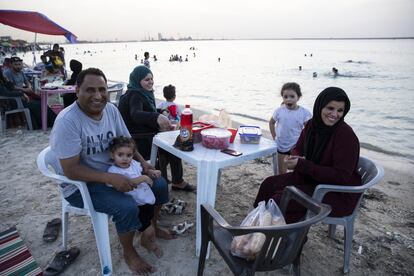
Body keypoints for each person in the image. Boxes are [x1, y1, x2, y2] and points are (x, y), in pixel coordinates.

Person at [50, 68, 171, 274]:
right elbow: (70, 170)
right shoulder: (68, 121)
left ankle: (149, 228)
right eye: (90, 90)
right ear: (77, 90)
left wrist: (144, 164)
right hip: (81, 185)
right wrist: (110, 178)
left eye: (102, 89)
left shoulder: (111, 110)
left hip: (115, 170)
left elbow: (128, 142)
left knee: (159, 185)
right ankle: (128, 251)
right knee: (126, 207)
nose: (98, 96)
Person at [255, 87, 361, 224]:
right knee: (268, 184)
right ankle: (255, 226)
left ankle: (282, 238)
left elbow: (341, 176)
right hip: (313, 179)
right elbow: (298, 148)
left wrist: (304, 165)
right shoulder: (312, 125)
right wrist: (295, 157)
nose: (335, 114)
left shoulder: (345, 136)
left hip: (336, 193)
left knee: (282, 199)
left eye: (340, 110)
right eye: (330, 108)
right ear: (320, 106)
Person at [118, 65, 195, 192]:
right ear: (138, 80)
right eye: (146, 79)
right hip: (139, 142)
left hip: (142, 136)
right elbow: (136, 114)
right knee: (173, 146)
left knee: (171, 144)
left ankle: (172, 178)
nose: (151, 82)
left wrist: (160, 111)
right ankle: (174, 181)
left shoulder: (139, 93)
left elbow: (144, 110)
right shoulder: (135, 95)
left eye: (151, 79)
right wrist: (156, 117)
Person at [107, 136, 163, 257]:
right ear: (112, 155)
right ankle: (148, 243)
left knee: (150, 220)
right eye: (120, 154)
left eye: (129, 155)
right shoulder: (113, 171)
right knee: (150, 230)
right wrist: (143, 178)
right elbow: (128, 182)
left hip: (146, 201)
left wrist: (151, 173)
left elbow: (141, 172)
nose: (125, 158)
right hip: (136, 205)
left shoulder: (134, 164)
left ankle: (144, 239)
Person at [269, 82, 311, 174]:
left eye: (292, 96)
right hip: (281, 145)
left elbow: (308, 130)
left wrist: (306, 144)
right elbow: (271, 122)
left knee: (296, 170)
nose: (288, 99)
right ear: (282, 97)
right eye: (285, 97)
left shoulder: (304, 113)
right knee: (282, 172)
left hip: (296, 146)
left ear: (298, 97)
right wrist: (274, 137)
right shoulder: (279, 111)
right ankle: (282, 186)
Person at [2, 59, 56, 129]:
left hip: (21, 94)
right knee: (38, 104)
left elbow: (27, 82)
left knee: (42, 102)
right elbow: (10, 88)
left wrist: (29, 87)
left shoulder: (21, 72)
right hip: (15, 98)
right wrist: (22, 92)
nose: (18, 66)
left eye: (19, 64)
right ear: (11, 65)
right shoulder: (7, 73)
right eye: (16, 64)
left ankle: (49, 122)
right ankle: (45, 123)